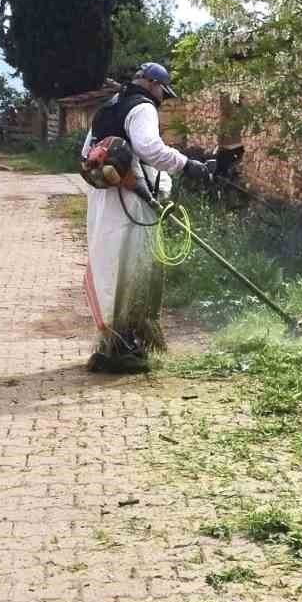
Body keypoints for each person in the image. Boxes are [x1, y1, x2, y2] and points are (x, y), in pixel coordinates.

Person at [82, 63, 212, 374]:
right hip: (131, 203)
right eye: (162, 93)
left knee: (112, 268)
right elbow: (149, 147)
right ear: (153, 83)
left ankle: (110, 345)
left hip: (104, 200)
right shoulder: (141, 107)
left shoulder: (108, 106)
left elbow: (87, 154)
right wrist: (187, 164)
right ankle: (124, 347)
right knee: (134, 271)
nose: (162, 100)